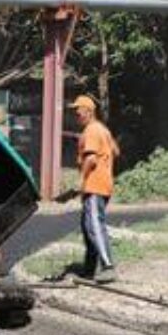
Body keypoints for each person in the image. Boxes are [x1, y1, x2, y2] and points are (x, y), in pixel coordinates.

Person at [71, 95, 119, 283]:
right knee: (87, 226)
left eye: (78, 110)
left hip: (94, 184)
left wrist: (80, 181)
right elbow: (115, 150)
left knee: (94, 225)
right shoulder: (102, 130)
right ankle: (89, 268)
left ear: (89, 111)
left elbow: (90, 159)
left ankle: (108, 267)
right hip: (103, 183)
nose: (76, 114)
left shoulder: (91, 130)